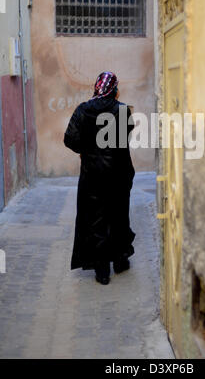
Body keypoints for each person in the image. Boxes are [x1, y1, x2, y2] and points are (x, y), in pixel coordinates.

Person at [64, 72, 136, 285]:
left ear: (96, 87)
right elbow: (124, 139)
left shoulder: (82, 110)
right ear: (114, 89)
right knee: (119, 216)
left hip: (92, 175)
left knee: (96, 219)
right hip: (118, 173)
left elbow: (69, 139)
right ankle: (121, 261)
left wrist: (84, 151)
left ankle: (102, 271)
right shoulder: (121, 110)